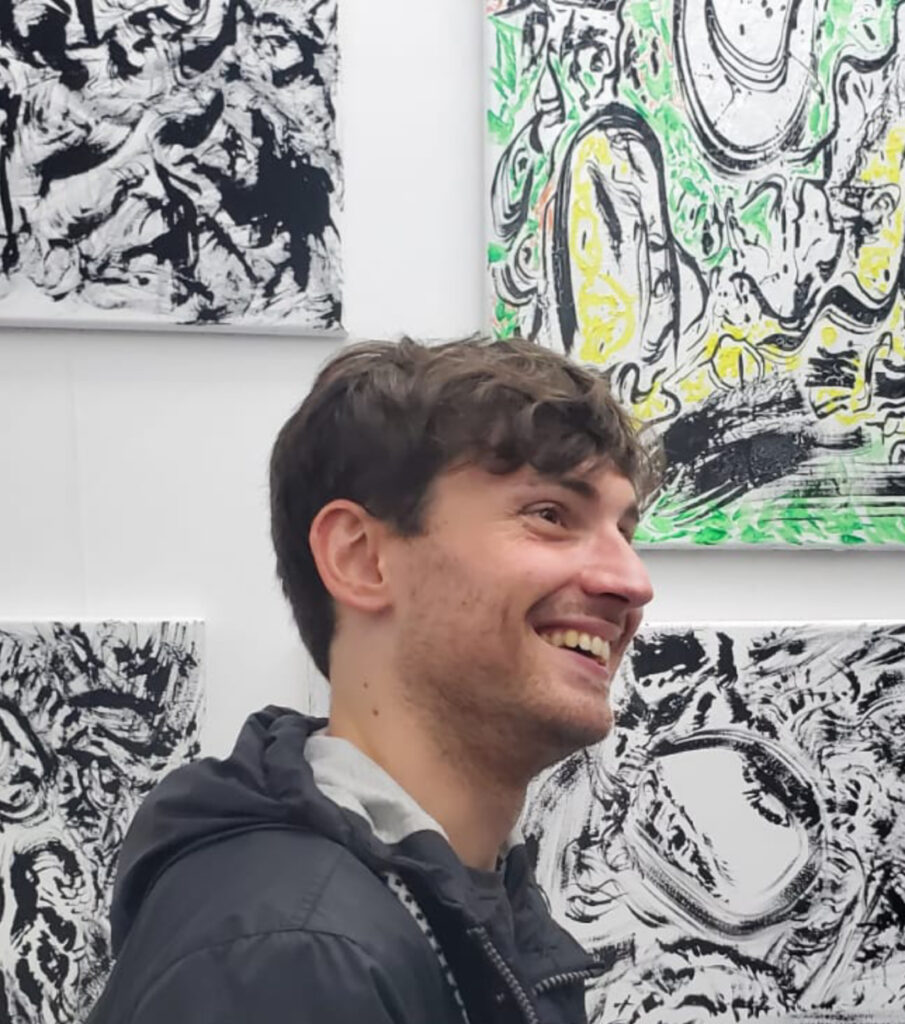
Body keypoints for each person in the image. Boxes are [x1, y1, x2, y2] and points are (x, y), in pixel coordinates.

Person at [87, 336, 655, 1024]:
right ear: (359, 559)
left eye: (625, 533)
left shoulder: (457, 900)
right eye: (549, 515)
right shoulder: (292, 959)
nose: (632, 582)